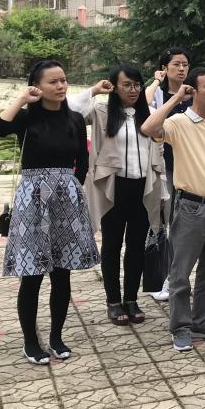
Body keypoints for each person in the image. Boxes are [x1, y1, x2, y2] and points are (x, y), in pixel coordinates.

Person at [0, 60, 98, 365]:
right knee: (32, 275)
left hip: (67, 201)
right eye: (53, 81)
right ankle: (30, 342)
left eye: (63, 80)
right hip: (33, 200)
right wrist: (22, 99)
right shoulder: (26, 119)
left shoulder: (75, 119)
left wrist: (71, 187)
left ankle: (56, 337)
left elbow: (83, 161)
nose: (61, 86)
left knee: (62, 274)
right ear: (36, 86)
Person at [141, 68, 205, 352]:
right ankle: (181, 327)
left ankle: (204, 320)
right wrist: (175, 99)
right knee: (181, 272)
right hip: (190, 208)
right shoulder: (179, 122)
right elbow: (148, 128)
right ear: (193, 90)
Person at [70, 66, 165, 327]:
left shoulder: (149, 114)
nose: (133, 90)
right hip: (113, 187)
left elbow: (159, 151)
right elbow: (69, 109)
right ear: (114, 87)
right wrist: (94, 90)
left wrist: (163, 190)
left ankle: (131, 299)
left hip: (143, 188)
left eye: (137, 85)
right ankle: (113, 301)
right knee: (111, 245)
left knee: (136, 247)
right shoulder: (101, 111)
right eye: (126, 85)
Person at [144, 47, 192, 302]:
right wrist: (156, 80)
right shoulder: (160, 94)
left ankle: (177, 278)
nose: (182, 69)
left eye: (185, 64)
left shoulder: (192, 93)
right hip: (165, 168)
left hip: (190, 166)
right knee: (164, 224)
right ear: (165, 68)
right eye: (176, 64)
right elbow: (144, 105)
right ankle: (161, 279)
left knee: (183, 226)